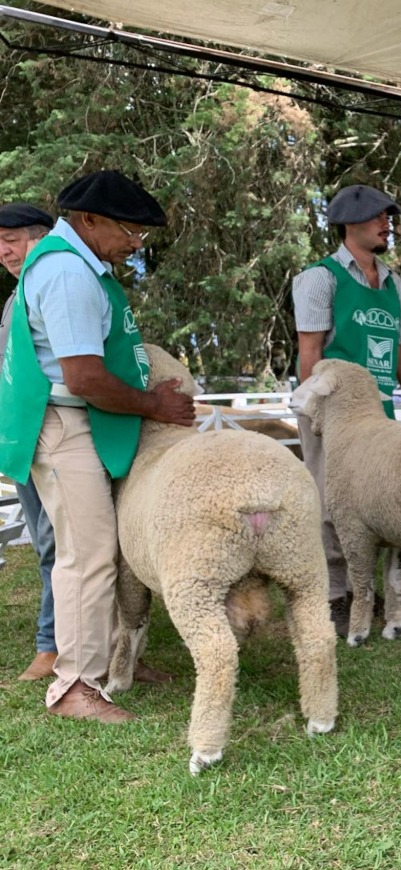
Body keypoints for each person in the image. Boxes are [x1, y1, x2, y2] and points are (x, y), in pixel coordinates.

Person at [0, 170, 195, 722]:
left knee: (99, 549)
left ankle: (110, 662)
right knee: (85, 555)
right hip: (65, 423)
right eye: (130, 230)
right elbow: (83, 376)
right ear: (90, 220)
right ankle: (74, 687)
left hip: (78, 421)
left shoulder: (78, 263)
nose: (135, 243)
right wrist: (155, 406)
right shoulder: (67, 272)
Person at [293, 184, 401, 634]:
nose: (386, 224)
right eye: (377, 217)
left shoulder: (393, 282)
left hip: (378, 411)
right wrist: (316, 414)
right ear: (349, 224)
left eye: (388, 217)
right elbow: (309, 352)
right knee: (331, 503)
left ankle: (374, 590)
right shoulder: (321, 277)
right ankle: (335, 594)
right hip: (331, 410)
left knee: (381, 497)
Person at [0, 203, 58, 681]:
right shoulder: (14, 299)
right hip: (26, 438)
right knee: (48, 542)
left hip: (59, 433)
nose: (4, 250)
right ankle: (53, 643)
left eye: (12, 239)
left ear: (40, 238)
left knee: (61, 543)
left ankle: (54, 644)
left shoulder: (50, 287)